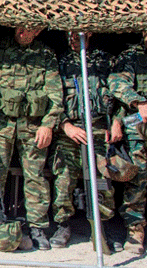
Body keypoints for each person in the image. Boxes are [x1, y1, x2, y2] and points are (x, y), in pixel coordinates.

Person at [0, 26, 63, 250]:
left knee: (35, 175)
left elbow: (55, 92)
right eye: (20, 29)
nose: (23, 33)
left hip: (32, 123)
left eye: (30, 30)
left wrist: (48, 124)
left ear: (39, 30)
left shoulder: (45, 54)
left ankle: (37, 227)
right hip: (0, 122)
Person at [51, 32, 119, 249]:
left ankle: (102, 227)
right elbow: (50, 97)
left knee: (103, 179)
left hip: (98, 128)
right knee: (64, 178)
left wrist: (115, 122)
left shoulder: (105, 60)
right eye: (69, 33)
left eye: (79, 33)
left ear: (89, 33)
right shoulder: (59, 61)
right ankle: (63, 225)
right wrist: (65, 125)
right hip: (69, 129)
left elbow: (118, 93)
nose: (73, 37)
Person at [109, 30, 147, 255]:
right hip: (138, 125)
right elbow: (116, 84)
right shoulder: (131, 56)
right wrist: (139, 102)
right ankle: (135, 230)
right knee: (139, 178)